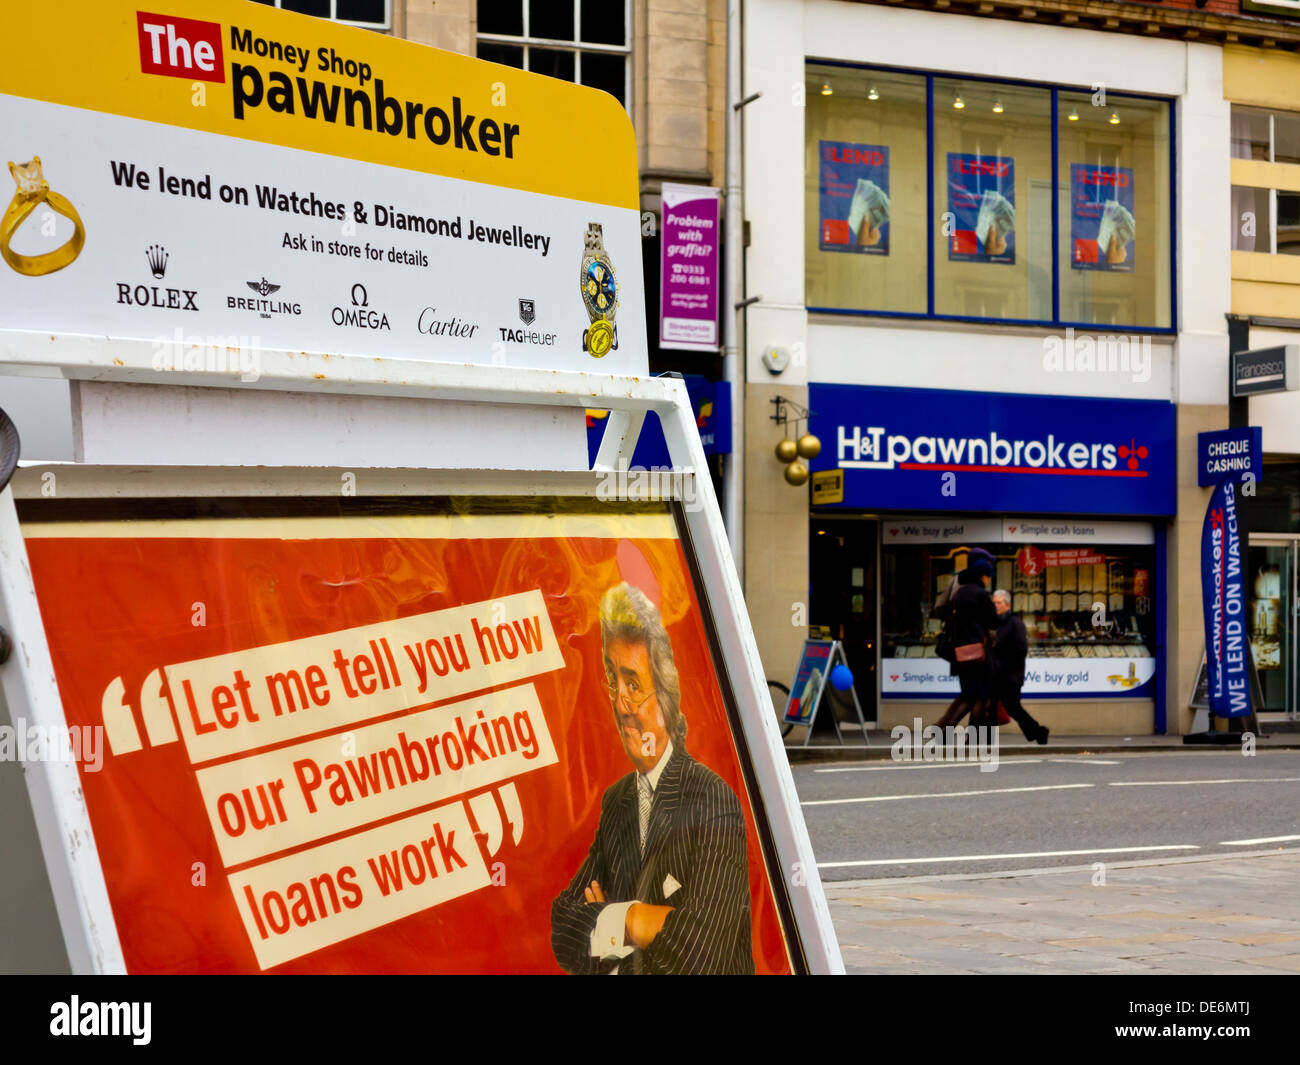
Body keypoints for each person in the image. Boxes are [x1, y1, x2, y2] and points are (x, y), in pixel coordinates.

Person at [550, 582, 753, 975]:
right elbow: (564, 928)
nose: (621, 702)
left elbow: (699, 958)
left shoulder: (712, 800)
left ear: (666, 693)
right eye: (613, 678)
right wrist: (638, 921)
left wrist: (611, 919)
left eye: (634, 683)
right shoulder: (619, 800)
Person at [934, 551, 998, 730]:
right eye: (988, 576)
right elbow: (993, 621)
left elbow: (940, 609)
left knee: (968, 695)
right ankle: (973, 737)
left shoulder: (958, 592)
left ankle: (944, 729)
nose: (989, 580)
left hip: (960, 651)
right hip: (979, 653)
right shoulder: (981, 594)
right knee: (981, 697)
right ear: (983, 576)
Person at [991, 590, 1049, 745]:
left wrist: (1004, 666)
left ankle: (1039, 731)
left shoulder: (1015, 623)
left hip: (1010, 675)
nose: (995, 605)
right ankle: (984, 739)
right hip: (997, 673)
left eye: (999, 603)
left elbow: (1021, 649)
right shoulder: (996, 623)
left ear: (1008, 605)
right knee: (991, 706)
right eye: (994, 602)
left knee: (1013, 708)